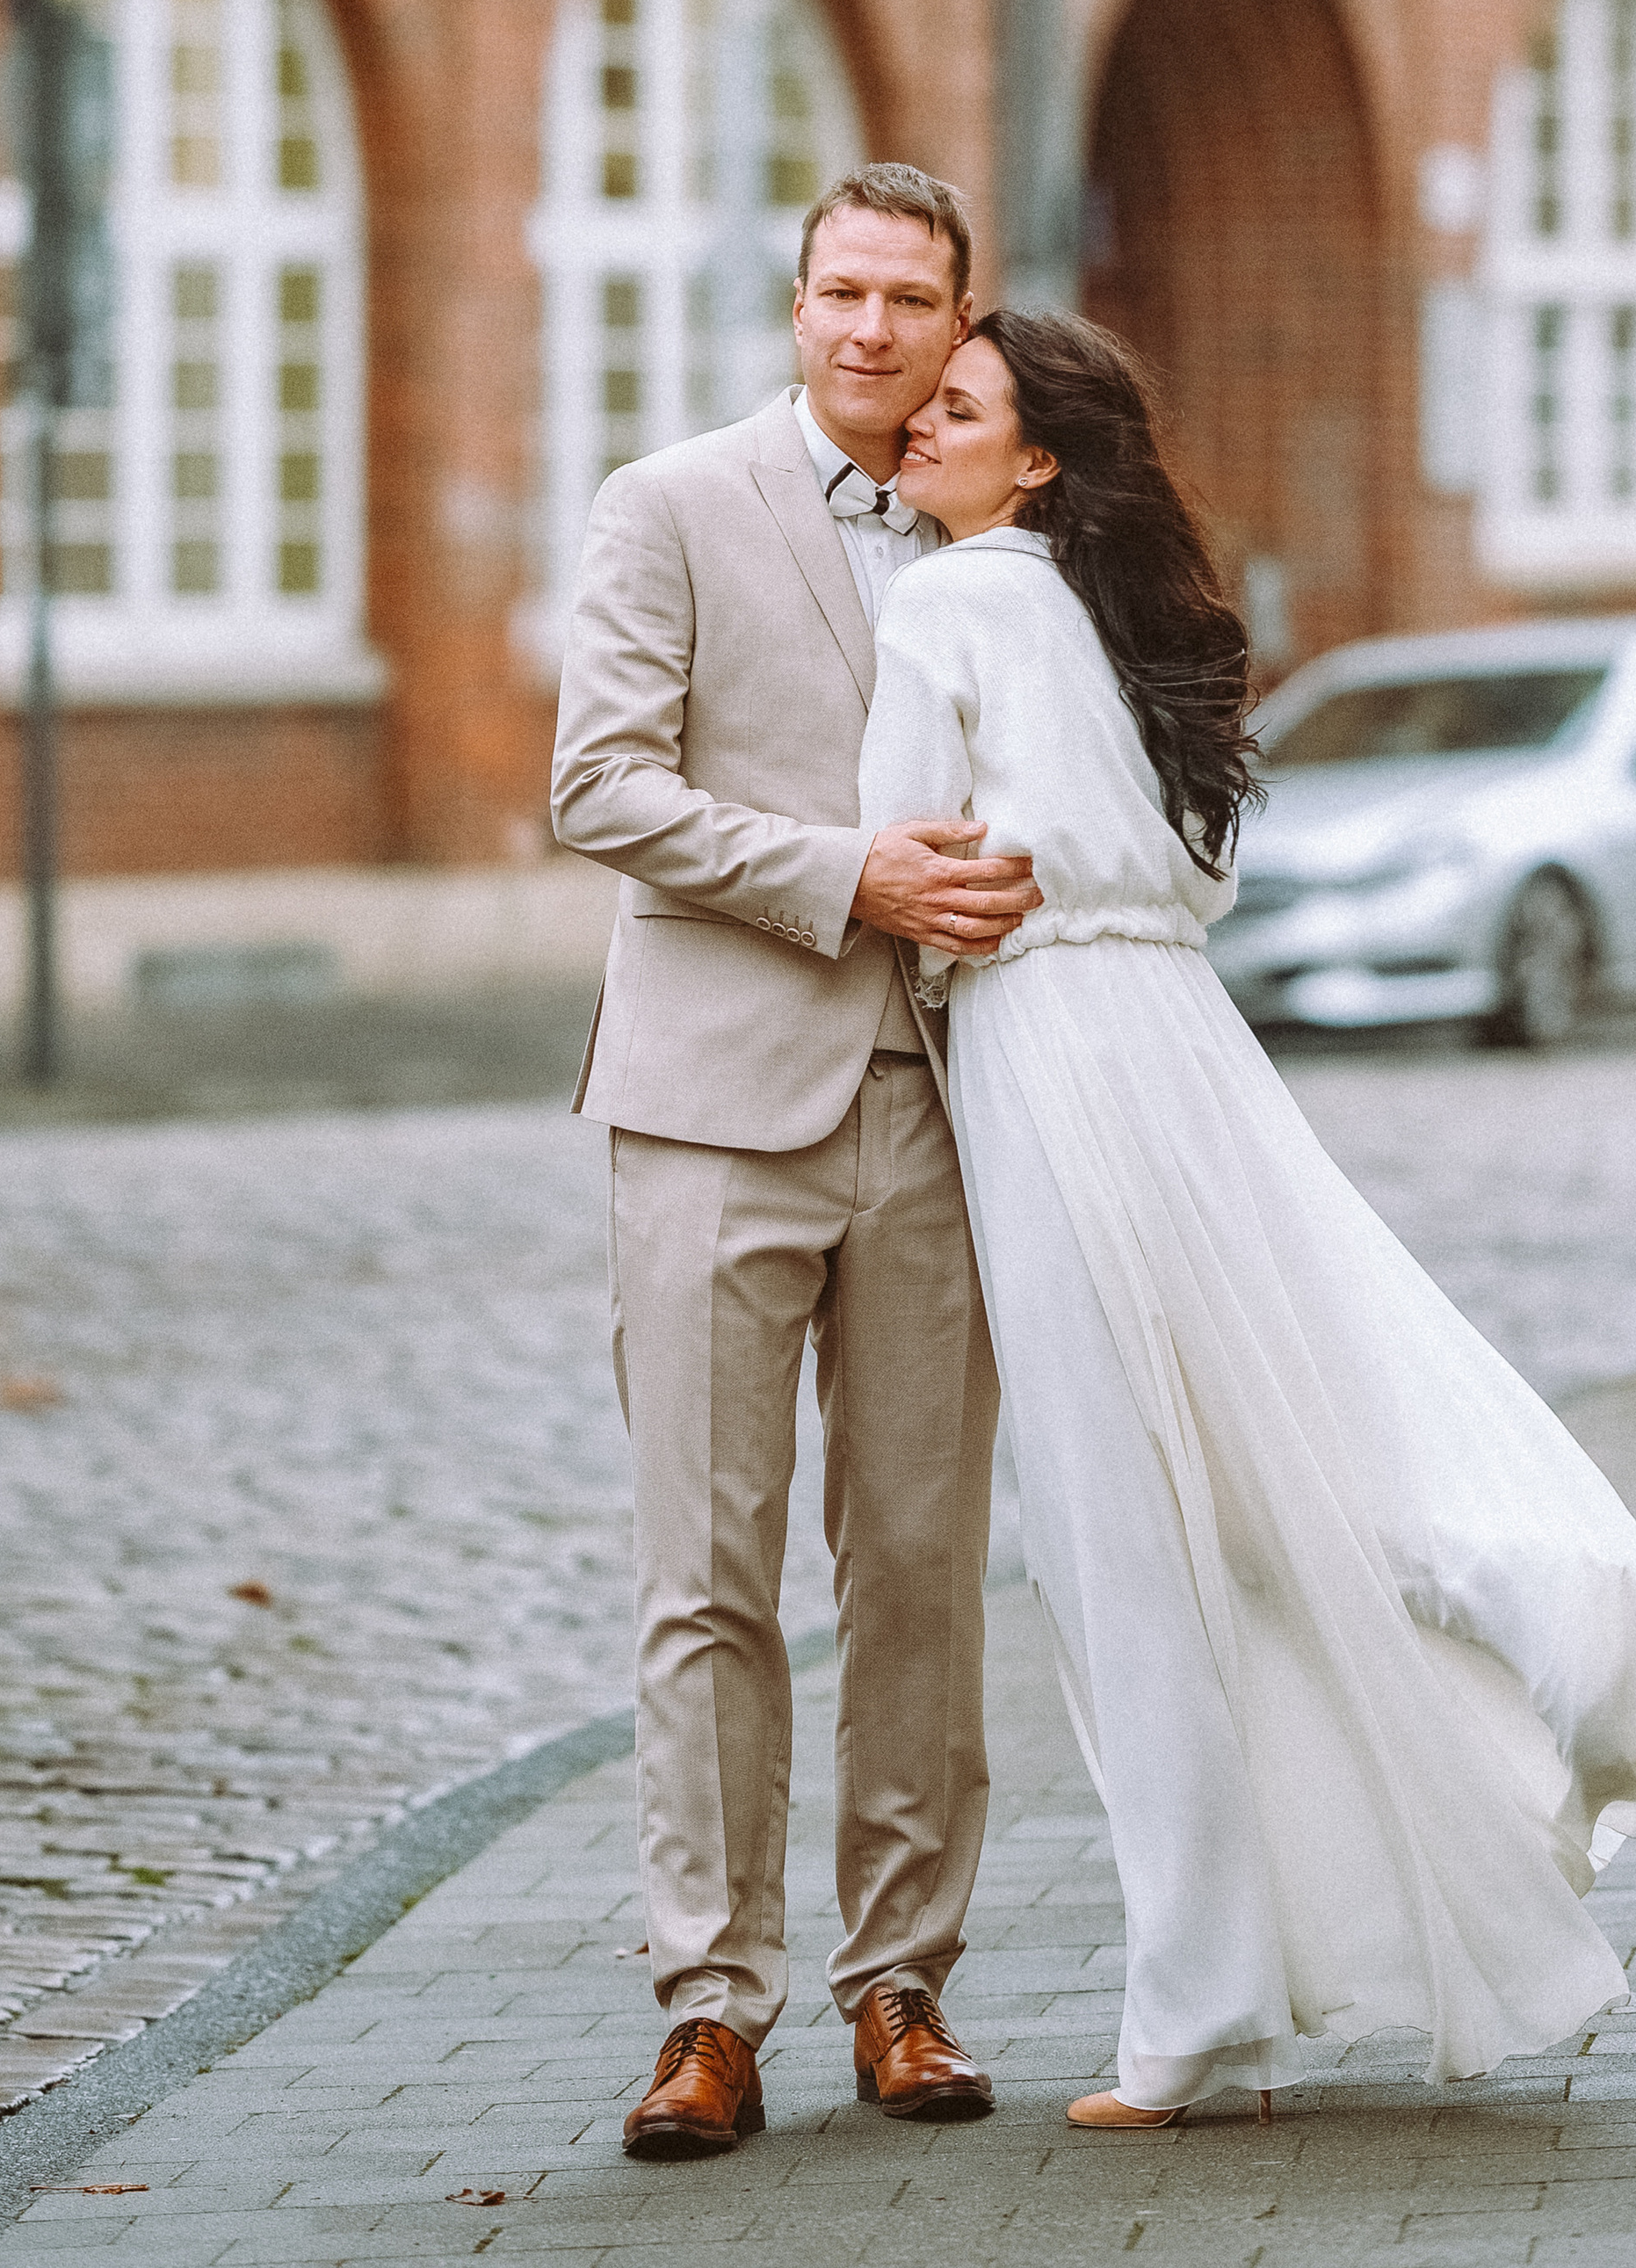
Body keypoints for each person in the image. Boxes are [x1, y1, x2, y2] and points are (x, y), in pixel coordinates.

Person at [858, 307, 1636, 2129]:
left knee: (1125, 1534)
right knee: (1269, 1461)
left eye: (956, 408)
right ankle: (1526, 1596)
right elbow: (1202, 870)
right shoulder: (1128, 622)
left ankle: (1190, 2014)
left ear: (1033, 459)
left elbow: (908, 871)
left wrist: (936, 937)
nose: (914, 425)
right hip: (1182, 1047)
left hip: (1046, 1053)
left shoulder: (940, 605)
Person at [551, 166, 1042, 2162]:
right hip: (705, 1110)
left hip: (936, 1112)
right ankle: (706, 2005)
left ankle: (899, 1983)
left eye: (905, 300)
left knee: (918, 1567)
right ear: (793, 305)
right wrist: (841, 876)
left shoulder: (1001, 526)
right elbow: (598, 781)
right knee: (708, 1577)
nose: (866, 328)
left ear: (954, 324)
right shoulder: (665, 504)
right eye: (838, 291)